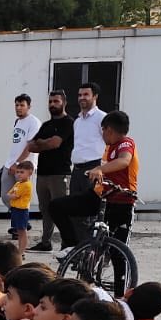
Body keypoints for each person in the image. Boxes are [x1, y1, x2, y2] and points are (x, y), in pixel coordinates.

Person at [50, 110, 138, 264]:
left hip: (121, 202)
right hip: (100, 196)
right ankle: (72, 246)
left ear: (108, 130)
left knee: (118, 255)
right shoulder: (108, 147)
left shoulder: (126, 143)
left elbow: (124, 161)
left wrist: (99, 169)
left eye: (102, 131)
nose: (102, 135)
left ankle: (122, 288)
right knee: (57, 206)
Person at [22, 90, 74, 253]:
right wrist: (45, 142)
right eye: (50, 101)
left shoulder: (68, 123)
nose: (52, 104)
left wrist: (42, 143)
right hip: (43, 174)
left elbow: (55, 144)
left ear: (64, 103)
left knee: (61, 209)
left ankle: (68, 243)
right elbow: (30, 145)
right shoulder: (46, 125)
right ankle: (46, 242)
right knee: (46, 210)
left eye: (56, 101)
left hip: (60, 173)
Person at [65, 82, 109, 244]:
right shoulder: (78, 121)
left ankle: (94, 251)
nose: (82, 98)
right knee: (76, 214)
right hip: (77, 171)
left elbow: (108, 144)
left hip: (94, 169)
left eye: (86, 95)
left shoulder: (102, 118)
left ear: (95, 97)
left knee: (91, 215)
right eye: (79, 95)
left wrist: (102, 168)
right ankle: (81, 250)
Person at [0, 94, 42, 199]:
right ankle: (14, 213)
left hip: (24, 166)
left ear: (28, 107)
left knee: (21, 197)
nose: (18, 108)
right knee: (6, 196)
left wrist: (18, 163)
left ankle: (20, 215)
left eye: (22, 105)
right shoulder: (17, 121)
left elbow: (30, 146)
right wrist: (11, 163)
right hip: (11, 163)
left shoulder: (34, 122)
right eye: (17, 105)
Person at [6, 159, 35, 252]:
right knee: (18, 231)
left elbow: (14, 195)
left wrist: (11, 196)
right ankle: (20, 249)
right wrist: (11, 195)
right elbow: (9, 194)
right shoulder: (18, 183)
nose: (19, 174)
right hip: (15, 209)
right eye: (17, 172)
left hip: (22, 211)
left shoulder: (26, 185)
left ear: (30, 173)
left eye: (22, 172)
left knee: (22, 231)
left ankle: (22, 250)